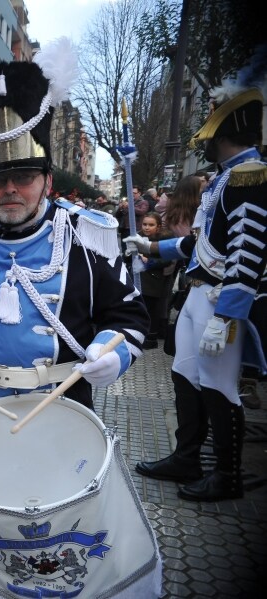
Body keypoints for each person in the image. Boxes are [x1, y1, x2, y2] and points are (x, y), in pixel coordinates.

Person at [0, 54, 150, 599]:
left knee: (52, 547)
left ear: (45, 179)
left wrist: (113, 353)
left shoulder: (87, 239)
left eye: (22, 177)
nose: (9, 190)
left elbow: (130, 316)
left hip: (61, 419)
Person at [128, 81, 266, 502]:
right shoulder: (225, 179)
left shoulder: (248, 179)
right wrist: (151, 246)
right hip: (196, 293)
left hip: (217, 300)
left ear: (224, 133)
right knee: (185, 375)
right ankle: (187, 458)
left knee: (220, 386)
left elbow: (248, 255)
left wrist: (228, 314)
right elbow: (198, 244)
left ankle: (227, 476)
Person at [138, 212, 176, 348]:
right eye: (145, 224)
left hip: (155, 280)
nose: (147, 227)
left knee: (153, 310)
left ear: (158, 227)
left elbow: (167, 260)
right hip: (138, 278)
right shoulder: (137, 236)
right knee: (141, 308)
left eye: (151, 225)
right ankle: (140, 334)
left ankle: (151, 338)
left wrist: (149, 261)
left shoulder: (163, 241)